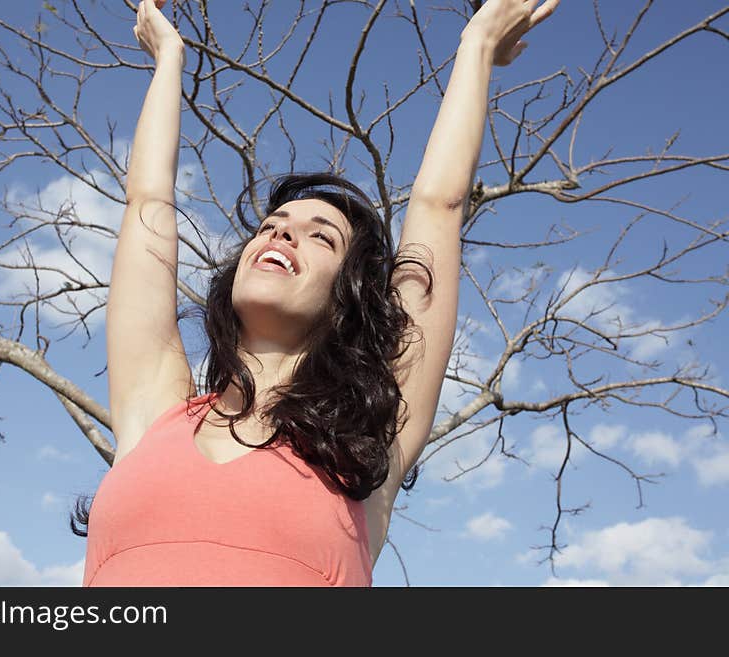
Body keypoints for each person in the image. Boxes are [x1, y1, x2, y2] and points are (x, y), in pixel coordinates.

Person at [72, 0, 560, 587]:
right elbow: (149, 203)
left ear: (348, 296)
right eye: (270, 225)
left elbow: (438, 208)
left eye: (319, 236)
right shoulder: (156, 410)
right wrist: (169, 58)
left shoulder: (366, 443)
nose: (281, 233)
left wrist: (478, 46)